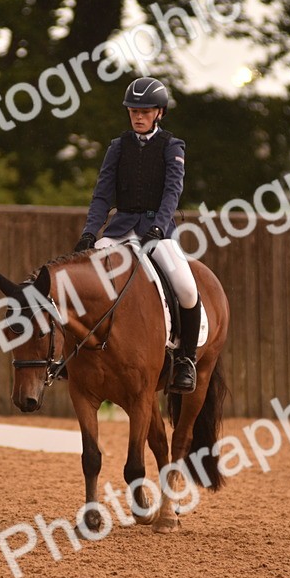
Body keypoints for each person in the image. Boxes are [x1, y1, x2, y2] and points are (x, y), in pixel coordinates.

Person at [74, 76, 201, 394]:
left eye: (145, 111)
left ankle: (186, 359)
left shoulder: (172, 147)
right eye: (133, 111)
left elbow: (172, 192)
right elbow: (102, 194)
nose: (138, 116)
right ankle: (76, 353)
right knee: (83, 279)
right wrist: (90, 233)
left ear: (159, 112)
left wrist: (159, 226)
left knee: (186, 287)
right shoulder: (118, 148)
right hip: (118, 231)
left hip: (157, 232)